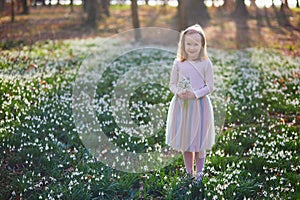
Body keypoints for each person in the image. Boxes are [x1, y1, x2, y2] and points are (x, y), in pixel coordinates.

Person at [165, 24, 215, 182]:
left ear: (202, 46)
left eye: (196, 44)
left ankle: (199, 172)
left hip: (200, 106)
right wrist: (178, 91)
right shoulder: (178, 64)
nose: (192, 47)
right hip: (183, 107)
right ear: (183, 45)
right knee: (186, 140)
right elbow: (172, 84)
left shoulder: (206, 64)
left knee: (199, 140)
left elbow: (210, 86)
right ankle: (189, 172)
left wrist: (196, 94)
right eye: (188, 44)